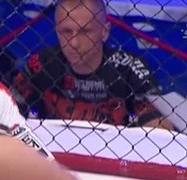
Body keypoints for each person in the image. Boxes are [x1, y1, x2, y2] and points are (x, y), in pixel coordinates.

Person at [12, 0, 175, 130]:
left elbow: (161, 128)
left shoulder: (129, 68)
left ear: (104, 31)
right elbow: (7, 111)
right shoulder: (41, 63)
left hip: (116, 152)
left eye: (84, 32)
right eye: (66, 32)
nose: (74, 43)